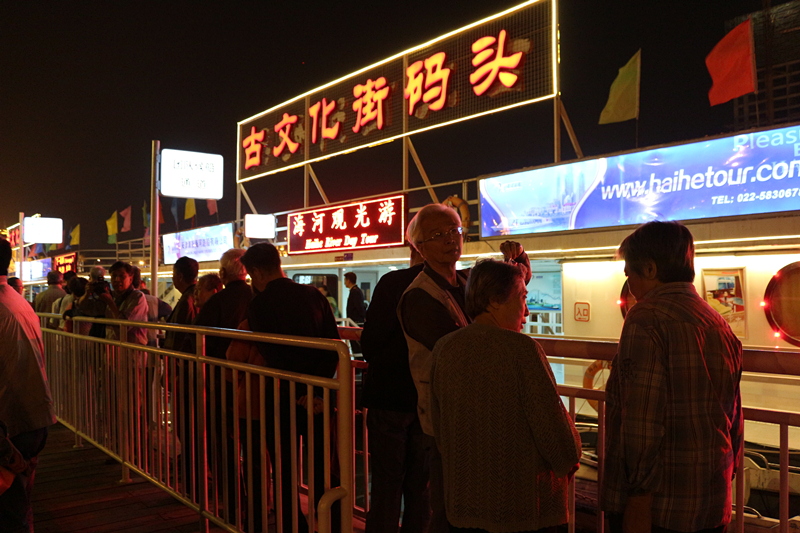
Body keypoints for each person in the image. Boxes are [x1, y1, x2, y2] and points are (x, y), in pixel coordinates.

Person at [601, 221, 743, 533]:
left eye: (629, 274)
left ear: (650, 269)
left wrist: (638, 501)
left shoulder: (646, 318)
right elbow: (734, 416)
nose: (630, 285)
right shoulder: (717, 321)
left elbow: (642, 422)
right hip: (712, 499)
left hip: (660, 508)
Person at [398, 203, 530, 533]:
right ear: (419, 247)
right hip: (446, 420)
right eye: (437, 234)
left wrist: (518, 258)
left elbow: (512, 285)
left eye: (454, 231)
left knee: (474, 507)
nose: (449, 239)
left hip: (478, 414)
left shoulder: (465, 281)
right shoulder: (418, 297)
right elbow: (463, 350)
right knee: (450, 509)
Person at [430, 259, 581, 533]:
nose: (527, 310)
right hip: (522, 513)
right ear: (494, 301)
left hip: (463, 510)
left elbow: (440, 429)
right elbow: (560, 444)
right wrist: (570, 456)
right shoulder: (522, 350)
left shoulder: (444, 348)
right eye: (522, 297)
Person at [231, 242, 341, 533]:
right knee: (324, 468)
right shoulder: (313, 295)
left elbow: (275, 354)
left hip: (281, 396)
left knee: (284, 469)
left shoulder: (259, 305)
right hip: (318, 395)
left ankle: (294, 525)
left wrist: (300, 390)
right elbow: (334, 346)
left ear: (256, 272)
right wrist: (316, 391)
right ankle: (332, 523)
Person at [361, 245, 429, 533]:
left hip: (389, 396)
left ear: (414, 247)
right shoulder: (453, 284)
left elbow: (370, 343)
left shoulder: (393, 283)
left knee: (387, 485)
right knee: (421, 488)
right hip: (428, 399)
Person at [0, 238, 57, 532]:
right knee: (20, 507)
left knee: (10, 514)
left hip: (11, 425)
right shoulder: (16, 300)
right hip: (32, 419)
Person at [193, 248, 253, 521]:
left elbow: (197, 337)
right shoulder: (256, 298)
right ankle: (261, 501)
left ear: (223, 273)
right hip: (253, 381)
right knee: (254, 444)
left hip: (220, 378)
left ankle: (232, 504)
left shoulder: (217, 302)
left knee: (224, 442)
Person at [164, 256, 198, 352]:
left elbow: (178, 336)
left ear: (180, 277)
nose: (172, 277)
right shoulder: (197, 296)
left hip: (182, 357)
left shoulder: (186, 301)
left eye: (173, 274)